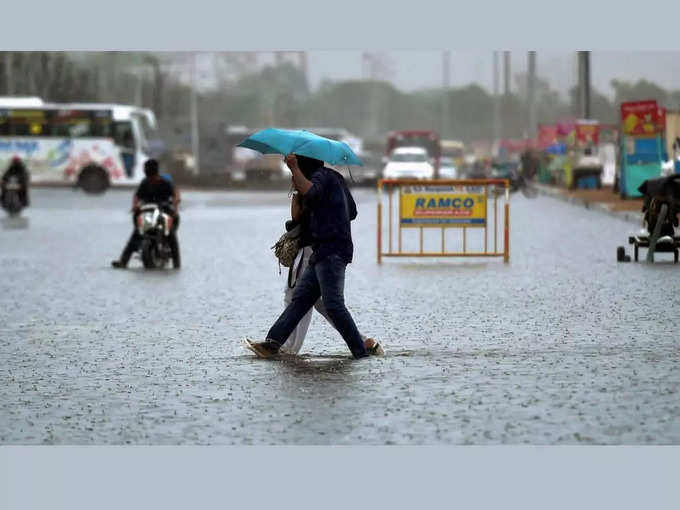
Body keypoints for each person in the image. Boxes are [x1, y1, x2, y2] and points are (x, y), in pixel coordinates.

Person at [246, 154, 372, 359]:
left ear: (304, 165)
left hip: (332, 251)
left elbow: (313, 193)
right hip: (321, 251)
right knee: (300, 300)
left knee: (333, 305)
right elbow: (351, 211)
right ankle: (272, 344)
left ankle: (361, 351)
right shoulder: (333, 179)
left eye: (298, 166)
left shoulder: (322, 176)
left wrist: (294, 169)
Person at [279, 187, 384, 356]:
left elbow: (297, 216)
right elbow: (352, 211)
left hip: (311, 248)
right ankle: (362, 341)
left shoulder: (308, 183)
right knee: (317, 300)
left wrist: (296, 192)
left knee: (298, 296)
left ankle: (288, 347)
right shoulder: (330, 184)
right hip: (321, 247)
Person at [111, 159, 181, 269]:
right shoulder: (145, 183)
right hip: (148, 213)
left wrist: (176, 204)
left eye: (152, 178)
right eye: (149, 178)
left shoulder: (165, 183)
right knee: (136, 233)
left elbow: (175, 193)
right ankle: (123, 261)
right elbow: (137, 196)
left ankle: (177, 264)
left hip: (164, 211)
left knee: (171, 234)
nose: (151, 180)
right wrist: (135, 205)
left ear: (156, 173)